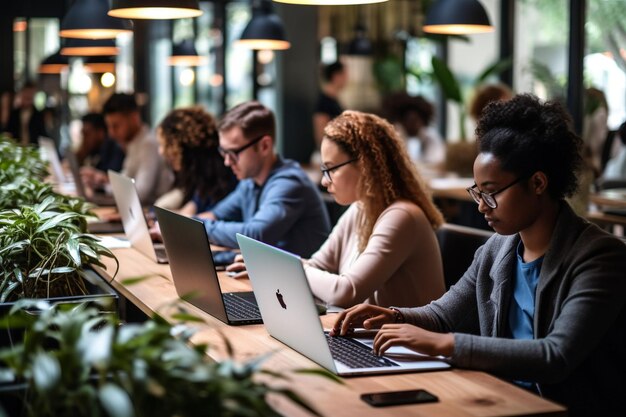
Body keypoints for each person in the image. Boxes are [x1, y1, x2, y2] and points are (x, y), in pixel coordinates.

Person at [332, 94, 626, 417]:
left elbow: (554, 356)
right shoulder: (498, 249)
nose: (481, 205)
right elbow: (443, 315)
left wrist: (446, 345)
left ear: (538, 183)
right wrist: (392, 316)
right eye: (478, 191)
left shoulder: (600, 258)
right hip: (500, 401)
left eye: (492, 192)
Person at [303, 110, 445, 308]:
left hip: (398, 338)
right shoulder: (359, 208)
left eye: (332, 169)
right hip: (368, 336)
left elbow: (346, 292)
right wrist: (278, 267)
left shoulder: (402, 216)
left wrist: (291, 269)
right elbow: (316, 265)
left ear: (365, 165)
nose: (324, 181)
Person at [198, 101, 330, 257]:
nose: (227, 161)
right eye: (223, 152)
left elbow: (255, 235)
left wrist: (197, 228)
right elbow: (215, 215)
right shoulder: (249, 182)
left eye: (233, 153)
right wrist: (184, 227)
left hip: (296, 280)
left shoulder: (290, 183)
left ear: (264, 146)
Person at [149, 107, 236, 238]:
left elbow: (200, 220)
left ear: (182, 146)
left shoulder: (222, 179)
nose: (161, 152)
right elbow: (189, 213)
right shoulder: (203, 179)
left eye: (164, 145)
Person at [81, 93, 173, 205]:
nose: (111, 133)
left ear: (134, 118)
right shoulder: (134, 144)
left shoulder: (148, 144)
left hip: (151, 214)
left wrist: (103, 187)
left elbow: (140, 193)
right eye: (109, 127)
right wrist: (101, 181)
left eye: (116, 126)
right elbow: (126, 180)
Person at [383, 92, 445, 166]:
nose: (413, 125)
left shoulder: (430, 136)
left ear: (423, 120)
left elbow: (436, 161)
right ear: (402, 121)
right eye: (409, 120)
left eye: (416, 120)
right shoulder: (396, 135)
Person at [313, 61, 347, 152]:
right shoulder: (324, 102)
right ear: (336, 76)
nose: (347, 78)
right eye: (344, 75)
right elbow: (320, 135)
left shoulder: (334, 100)